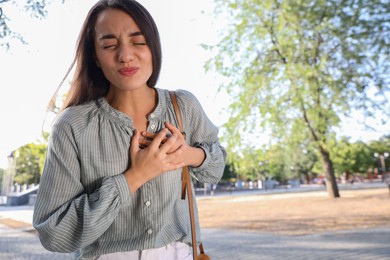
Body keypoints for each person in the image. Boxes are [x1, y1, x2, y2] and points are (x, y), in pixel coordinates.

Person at [32, 0, 227, 259]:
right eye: (109, 45)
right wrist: (133, 177)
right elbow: (53, 232)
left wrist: (190, 155)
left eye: (138, 41)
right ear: (96, 57)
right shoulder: (72, 125)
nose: (125, 55)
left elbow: (216, 169)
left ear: (154, 47)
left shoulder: (184, 106)